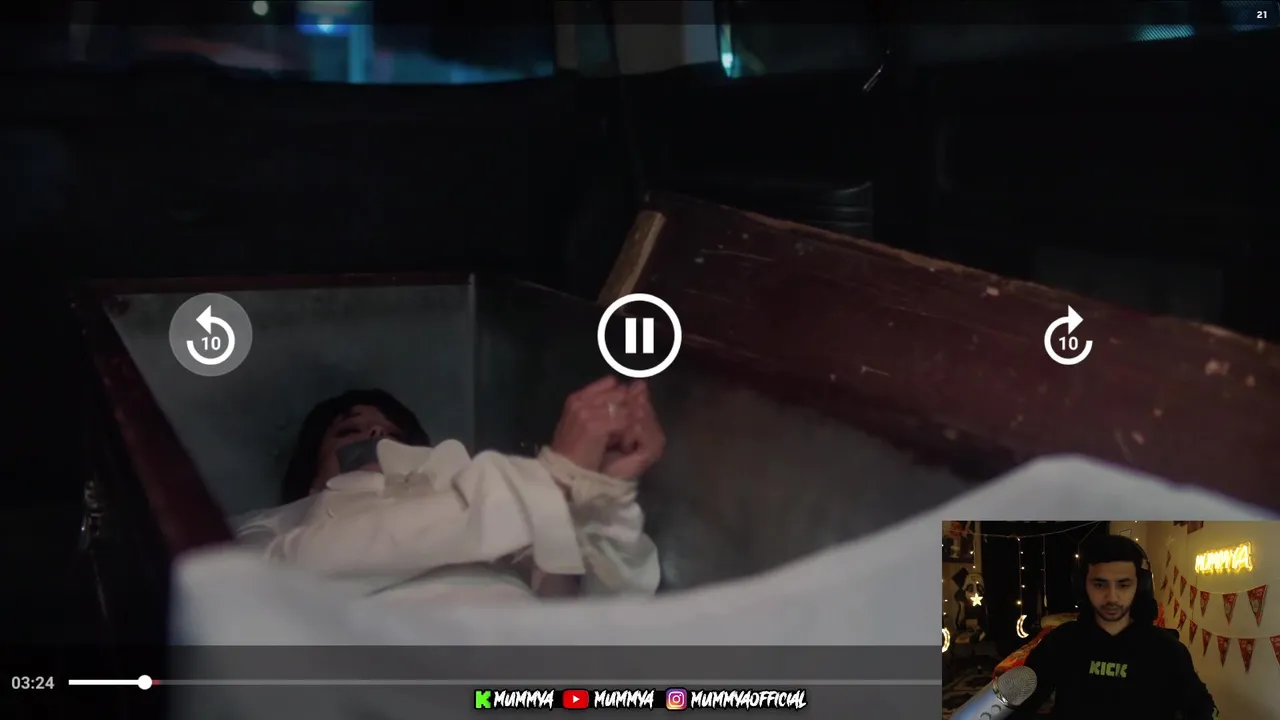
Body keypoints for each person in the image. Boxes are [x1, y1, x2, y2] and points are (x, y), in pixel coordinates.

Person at [233, 376, 664, 603]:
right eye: (349, 431)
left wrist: (603, 497)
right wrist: (548, 479)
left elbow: (605, 610)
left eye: (395, 434)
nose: (378, 434)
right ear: (311, 469)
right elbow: (277, 582)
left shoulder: (484, 496)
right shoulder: (275, 525)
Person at [1010, 534, 1218, 720]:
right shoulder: (1060, 643)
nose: (1112, 596)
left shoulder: (1167, 650)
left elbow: (1201, 710)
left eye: (1123, 584)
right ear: (1083, 586)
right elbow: (1011, 704)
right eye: (1099, 584)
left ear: (1141, 586)